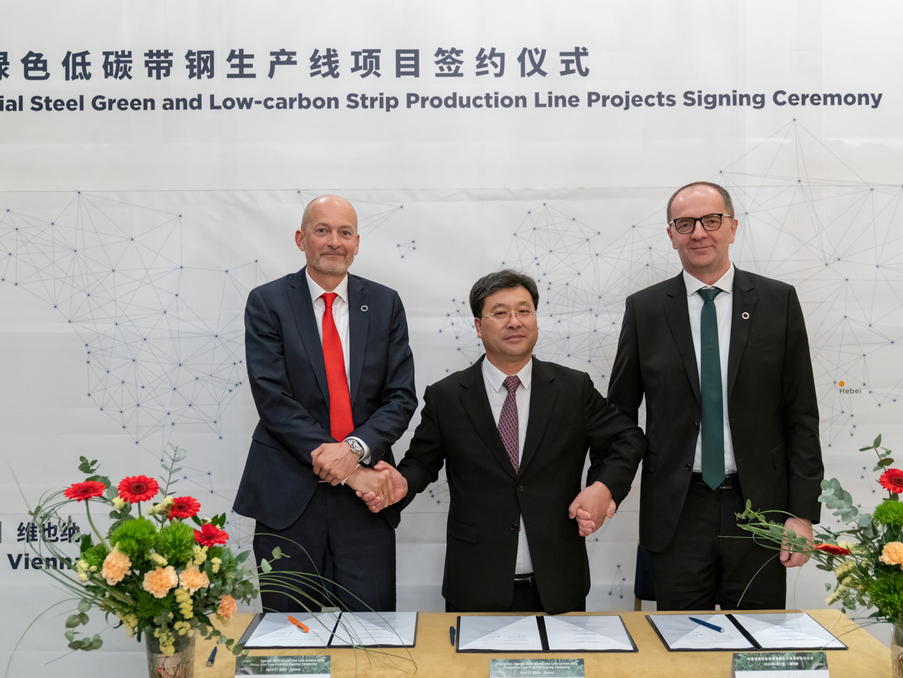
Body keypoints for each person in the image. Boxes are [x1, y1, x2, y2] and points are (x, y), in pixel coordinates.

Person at [368, 270, 646, 614]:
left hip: (559, 585)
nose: (514, 321)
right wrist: (401, 482)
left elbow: (627, 438)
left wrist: (604, 487)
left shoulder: (573, 389)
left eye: (524, 311)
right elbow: (421, 463)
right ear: (478, 325)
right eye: (500, 313)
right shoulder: (448, 396)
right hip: (474, 584)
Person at [608, 181, 823, 611]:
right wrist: (608, 486)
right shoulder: (645, 309)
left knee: (757, 644)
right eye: (684, 224)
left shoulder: (777, 301)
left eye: (711, 220)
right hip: (678, 508)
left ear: (732, 227)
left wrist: (801, 514)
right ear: (671, 235)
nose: (699, 233)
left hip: (760, 509)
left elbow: (802, 413)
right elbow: (620, 415)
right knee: (681, 647)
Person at [232, 194, 417, 612]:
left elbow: (400, 396)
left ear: (357, 243)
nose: (334, 241)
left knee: (372, 638)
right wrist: (351, 473)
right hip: (290, 499)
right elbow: (273, 399)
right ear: (301, 239)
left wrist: (352, 452)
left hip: (365, 507)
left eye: (345, 232)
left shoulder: (386, 304)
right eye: (322, 230)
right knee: (289, 640)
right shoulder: (268, 302)